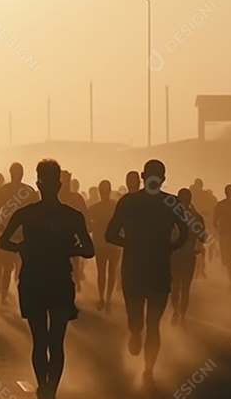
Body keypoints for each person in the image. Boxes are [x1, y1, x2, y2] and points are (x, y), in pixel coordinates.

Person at [0, 159, 94, 399]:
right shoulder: (72, 216)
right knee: (55, 342)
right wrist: (68, 249)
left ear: (38, 183)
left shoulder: (27, 213)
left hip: (35, 280)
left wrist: (22, 247)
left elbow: (3, 241)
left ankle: (45, 390)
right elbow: (89, 250)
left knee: (40, 341)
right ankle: (49, 392)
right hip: (59, 281)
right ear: (59, 184)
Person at [105, 160, 189, 386]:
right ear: (163, 178)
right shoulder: (171, 203)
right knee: (150, 325)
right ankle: (147, 367)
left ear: (143, 175)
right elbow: (184, 232)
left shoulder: (129, 202)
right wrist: (170, 246)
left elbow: (110, 234)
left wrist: (131, 243)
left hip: (136, 267)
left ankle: (147, 368)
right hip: (157, 267)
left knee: (145, 323)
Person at [0, 162, 38, 303]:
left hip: (25, 235)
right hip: (9, 235)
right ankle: (4, 296)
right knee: (8, 268)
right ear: (11, 174)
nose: (16, 175)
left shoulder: (29, 191)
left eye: (18, 173)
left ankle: (19, 297)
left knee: (22, 269)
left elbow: (38, 213)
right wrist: (3, 229)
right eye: (15, 173)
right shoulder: (4, 190)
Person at [169, 188, 207, 326]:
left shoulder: (171, 216)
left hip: (175, 256)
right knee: (184, 288)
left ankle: (177, 312)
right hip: (187, 256)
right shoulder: (196, 217)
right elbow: (203, 237)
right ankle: (181, 315)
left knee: (176, 287)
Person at [87, 179, 121, 312]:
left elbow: (88, 226)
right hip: (110, 244)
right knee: (110, 273)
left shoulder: (95, 208)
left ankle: (103, 298)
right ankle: (106, 298)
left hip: (103, 244)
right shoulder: (115, 207)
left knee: (103, 273)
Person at [59, 170, 89, 292]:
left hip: (73, 238)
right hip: (56, 238)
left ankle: (75, 284)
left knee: (75, 265)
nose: (65, 183)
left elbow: (85, 215)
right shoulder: (55, 197)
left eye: (67, 180)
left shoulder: (76, 197)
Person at [190, 178, 217, 279]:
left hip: (198, 222)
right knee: (198, 248)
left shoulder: (199, 195)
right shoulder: (194, 194)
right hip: (194, 221)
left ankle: (200, 270)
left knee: (200, 248)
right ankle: (200, 270)